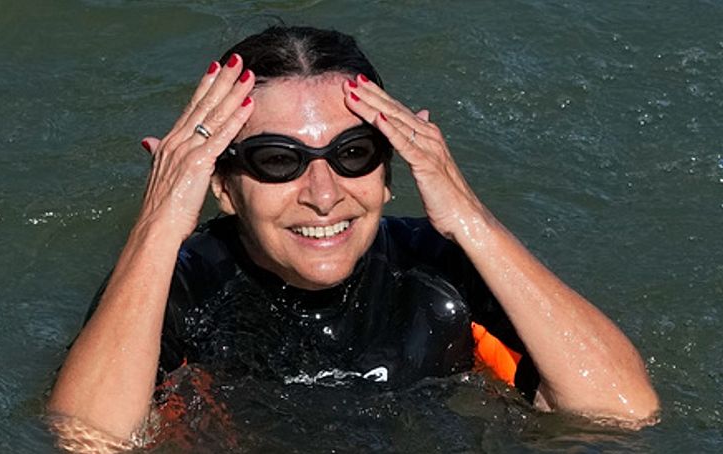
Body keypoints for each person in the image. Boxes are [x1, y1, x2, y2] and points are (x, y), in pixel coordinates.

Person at [47, 25, 659, 444]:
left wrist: (469, 217)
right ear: (224, 186)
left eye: (354, 152)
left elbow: (624, 413)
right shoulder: (179, 281)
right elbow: (88, 440)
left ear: (391, 173)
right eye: (277, 160)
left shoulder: (439, 269)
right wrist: (156, 229)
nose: (323, 192)